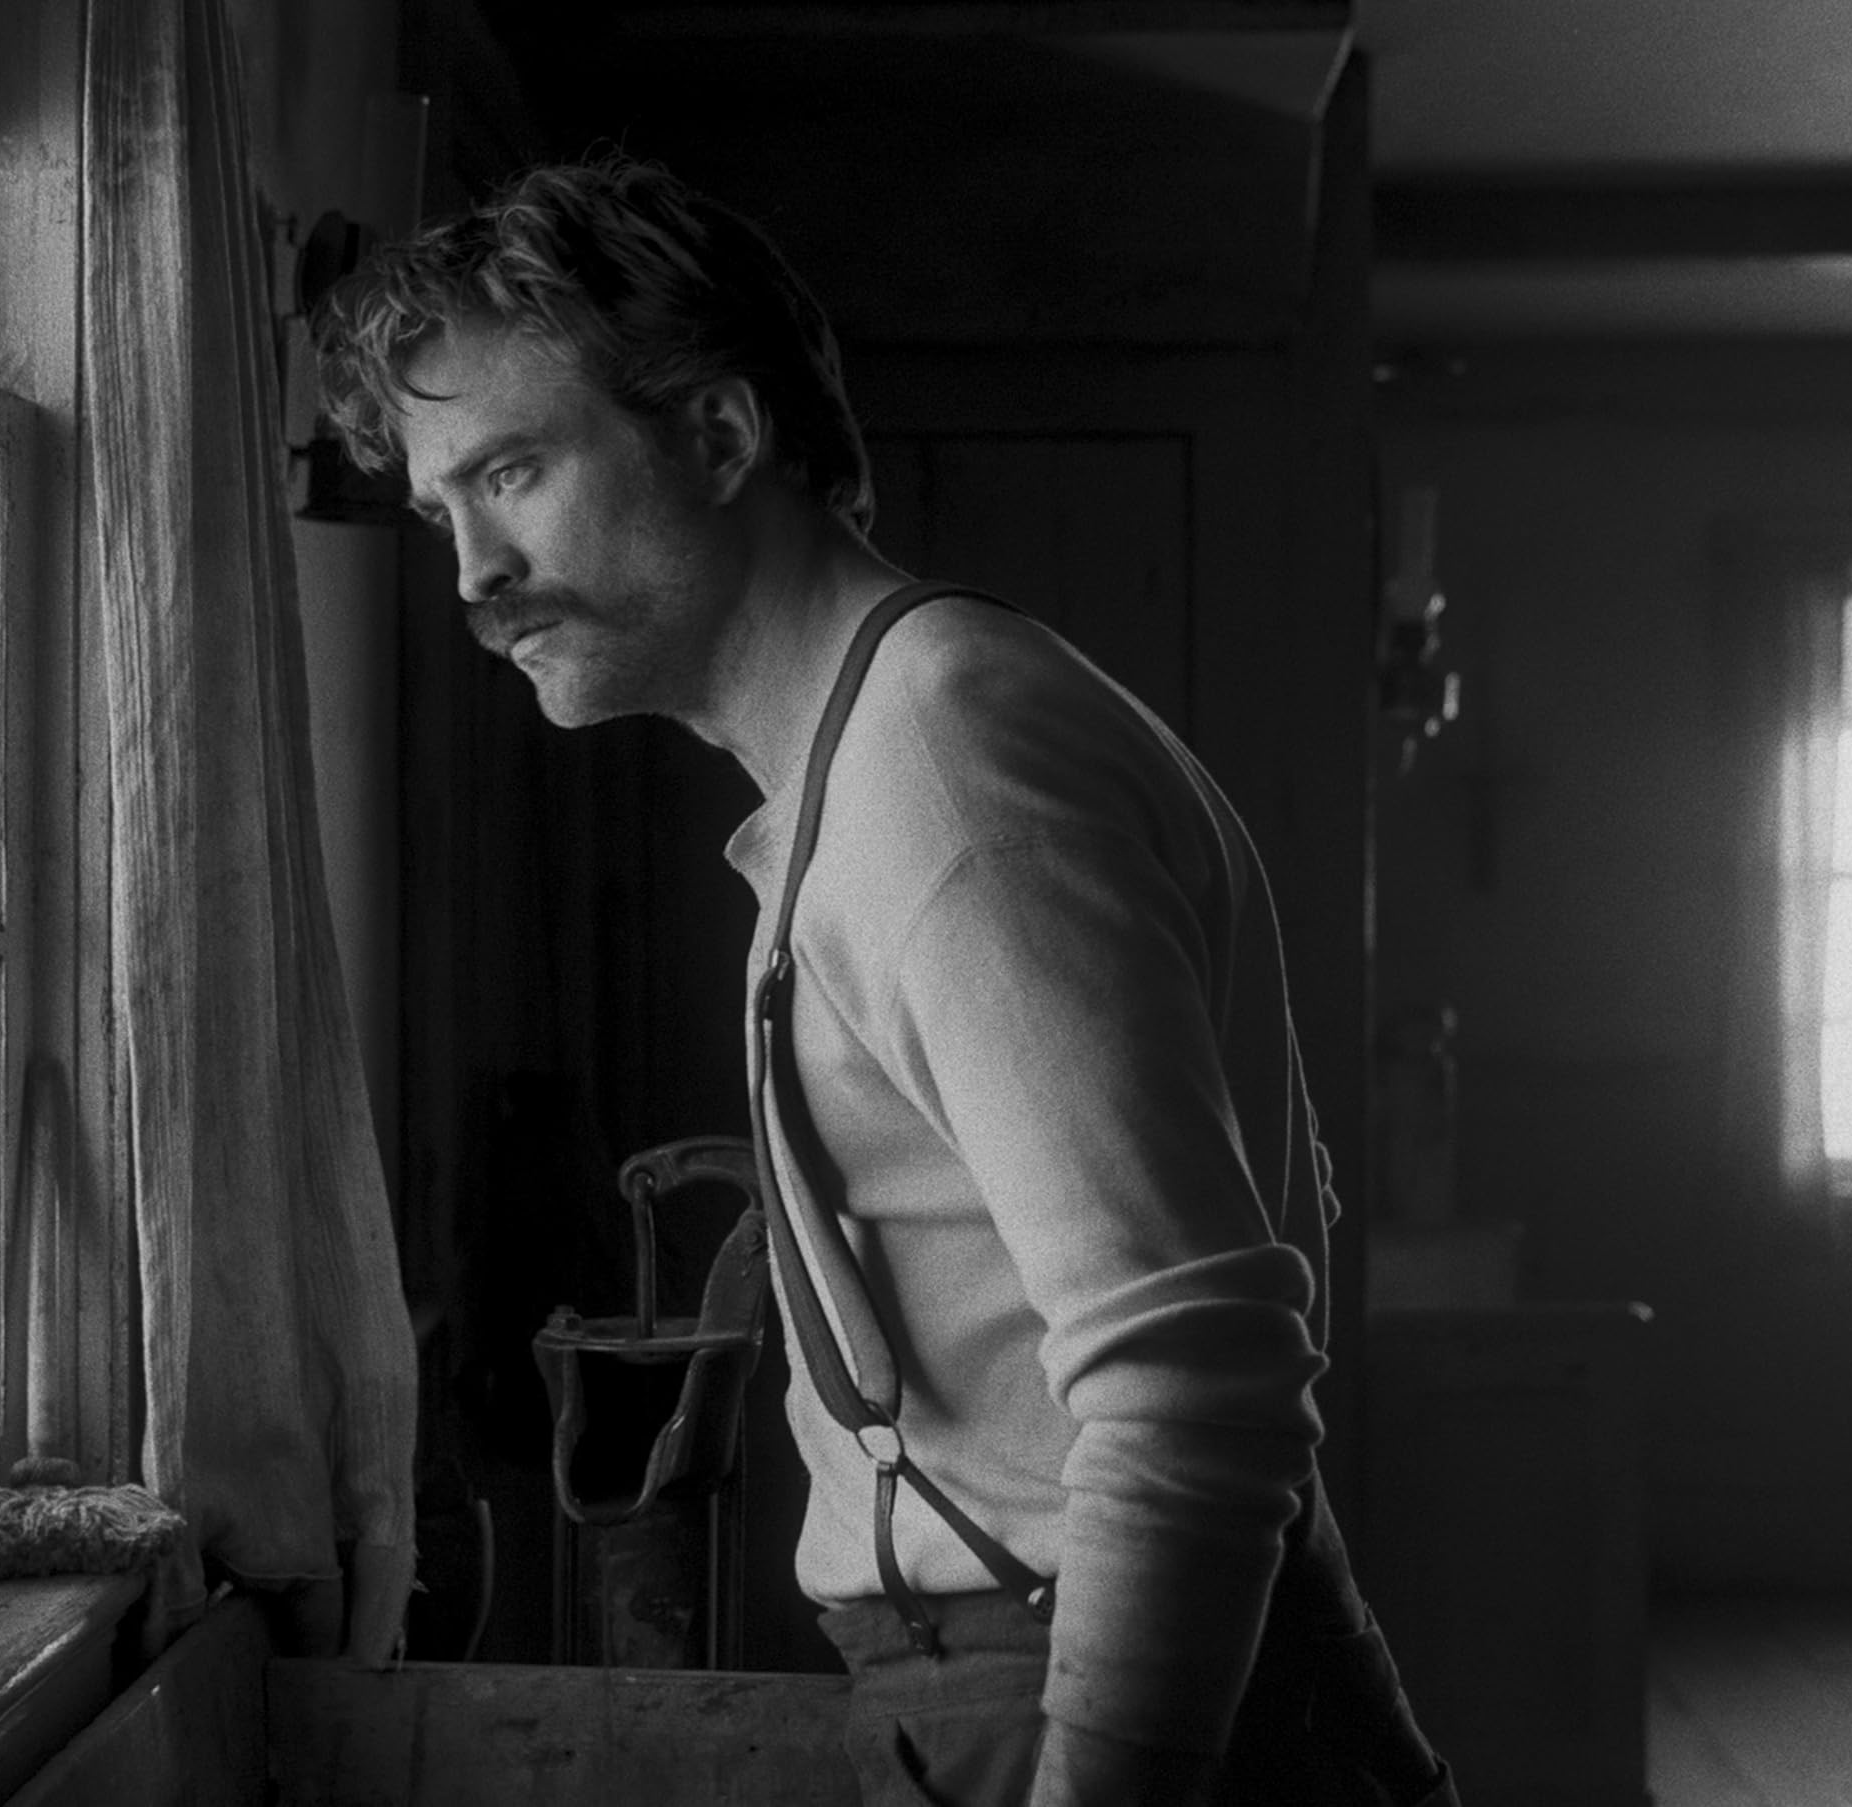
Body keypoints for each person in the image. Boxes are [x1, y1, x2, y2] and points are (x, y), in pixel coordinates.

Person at [316, 155, 1453, 1807]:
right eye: (443, 512)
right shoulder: (876, 755)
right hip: (1033, 1658)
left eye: (514, 471)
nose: (475, 571)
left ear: (720, 435)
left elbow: (1197, 1374)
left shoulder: (946, 767)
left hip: (1080, 1671)